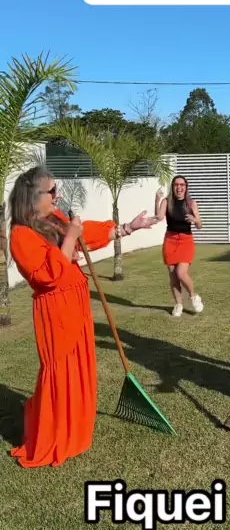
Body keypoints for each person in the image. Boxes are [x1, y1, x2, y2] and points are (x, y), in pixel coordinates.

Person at [8, 166, 158, 469]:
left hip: (76, 304)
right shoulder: (20, 235)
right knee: (60, 371)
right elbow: (48, 275)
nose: (58, 195)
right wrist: (70, 238)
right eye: (52, 191)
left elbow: (85, 234)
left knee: (78, 366)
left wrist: (129, 227)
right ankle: (54, 435)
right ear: (33, 196)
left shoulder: (54, 219)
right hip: (56, 310)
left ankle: (75, 431)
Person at [155, 175, 204, 317]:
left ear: (186, 187)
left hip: (185, 241)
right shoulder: (166, 202)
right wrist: (157, 200)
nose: (179, 187)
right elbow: (159, 217)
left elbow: (199, 225)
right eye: (176, 184)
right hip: (170, 240)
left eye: (182, 185)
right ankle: (178, 305)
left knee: (181, 273)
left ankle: (194, 296)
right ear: (173, 187)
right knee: (173, 276)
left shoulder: (191, 203)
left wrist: (195, 219)